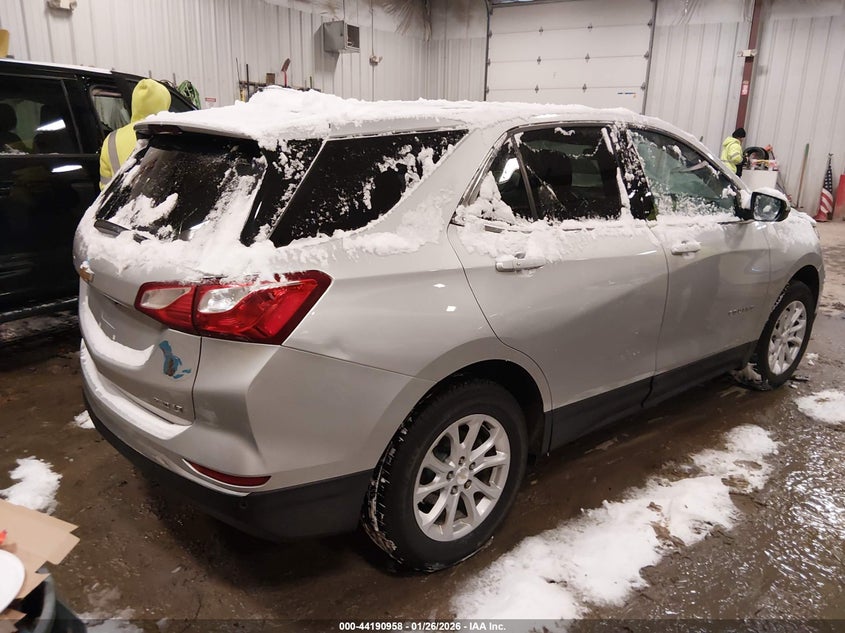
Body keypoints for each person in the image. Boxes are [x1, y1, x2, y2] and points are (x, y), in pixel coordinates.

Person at [99, 78, 171, 189]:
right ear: (164, 105)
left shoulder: (111, 139)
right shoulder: (172, 135)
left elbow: (105, 187)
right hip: (155, 204)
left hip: (120, 204)